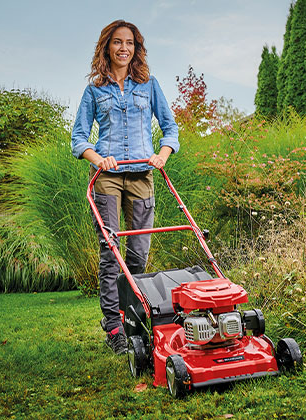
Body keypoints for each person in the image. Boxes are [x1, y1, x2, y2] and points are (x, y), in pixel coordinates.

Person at [71, 20, 179, 355]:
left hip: (143, 175)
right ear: (107, 47)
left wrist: (162, 155)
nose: (124, 48)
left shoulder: (149, 85)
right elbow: (78, 138)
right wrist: (98, 158)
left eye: (129, 42)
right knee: (110, 251)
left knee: (138, 254)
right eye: (117, 42)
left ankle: (132, 317)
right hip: (107, 176)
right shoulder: (94, 90)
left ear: (136, 48)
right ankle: (114, 328)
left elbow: (170, 128)